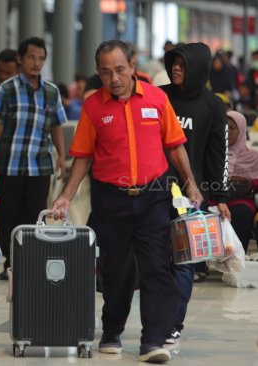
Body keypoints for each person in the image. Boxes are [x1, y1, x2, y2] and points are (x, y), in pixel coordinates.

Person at [48, 40, 202, 363]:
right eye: (105, 72)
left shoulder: (157, 99)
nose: (113, 78)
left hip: (153, 197)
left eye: (119, 70)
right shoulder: (93, 107)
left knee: (157, 267)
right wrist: (65, 196)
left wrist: (190, 184)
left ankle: (153, 340)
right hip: (110, 200)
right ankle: (112, 330)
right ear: (98, 73)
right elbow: (83, 158)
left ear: (132, 65)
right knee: (115, 270)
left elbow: (175, 146)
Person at [160, 42, 231, 345]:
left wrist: (221, 197)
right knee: (152, 261)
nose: (176, 68)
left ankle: (173, 324)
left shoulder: (212, 105)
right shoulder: (158, 96)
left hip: (191, 197)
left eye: (183, 64)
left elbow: (218, 154)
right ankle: (154, 321)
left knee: (183, 262)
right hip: (152, 190)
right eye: (174, 62)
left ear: (198, 68)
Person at [0, 37, 67, 280]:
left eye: (41, 58)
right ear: (21, 59)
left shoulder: (52, 92)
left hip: (39, 167)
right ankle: (10, 261)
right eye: (31, 57)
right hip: (9, 165)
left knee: (34, 216)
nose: (36, 62)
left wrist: (62, 156)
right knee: (7, 216)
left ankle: (27, 261)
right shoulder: (8, 88)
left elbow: (56, 126)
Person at [224, 111, 258, 252]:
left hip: (239, 198)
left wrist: (249, 182)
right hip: (214, 198)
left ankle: (237, 257)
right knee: (200, 211)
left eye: (231, 128)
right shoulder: (212, 152)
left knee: (242, 211)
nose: (227, 131)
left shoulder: (254, 157)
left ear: (242, 130)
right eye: (224, 127)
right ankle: (200, 266)